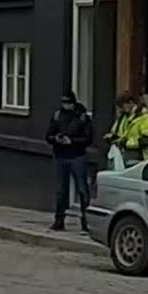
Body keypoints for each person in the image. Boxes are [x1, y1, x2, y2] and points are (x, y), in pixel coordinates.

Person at [46, 91, 93, 232]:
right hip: (61, 156)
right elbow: (48, 136)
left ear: (73, 103)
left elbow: (88, 138)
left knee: (82, 189)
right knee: (61, 191)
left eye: (68, 103)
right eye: (64, 103)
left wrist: (71, 141)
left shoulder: (82, 117)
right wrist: (56, 139)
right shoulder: (57, 115)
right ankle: (59, 221)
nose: (66, 106)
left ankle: (86, 222)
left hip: (77, 156)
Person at [106, 94, 148, 165]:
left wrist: (125, 142)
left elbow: (147, 140)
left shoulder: (144, 118)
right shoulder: (123, 118)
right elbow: (116, 132)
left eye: (122, 105)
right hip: (124, 155)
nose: (121, 108)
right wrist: (112, 138)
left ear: (131, 103)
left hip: (141, 158)